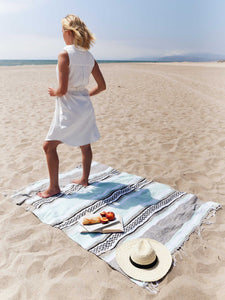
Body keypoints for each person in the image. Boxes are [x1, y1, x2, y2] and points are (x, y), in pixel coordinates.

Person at [37, 14, 106, 198]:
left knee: (48, 146)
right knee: (85, 143)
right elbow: (102, 86)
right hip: (85, 106)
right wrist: (85, 95)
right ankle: (84, 179)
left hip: (69, 107)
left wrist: (54, 92)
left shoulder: (64, 53)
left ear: (67, 32)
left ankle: (53, 188)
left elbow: (63, 89)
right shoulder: (89, 55)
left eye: (62, 31)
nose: (61, 34)